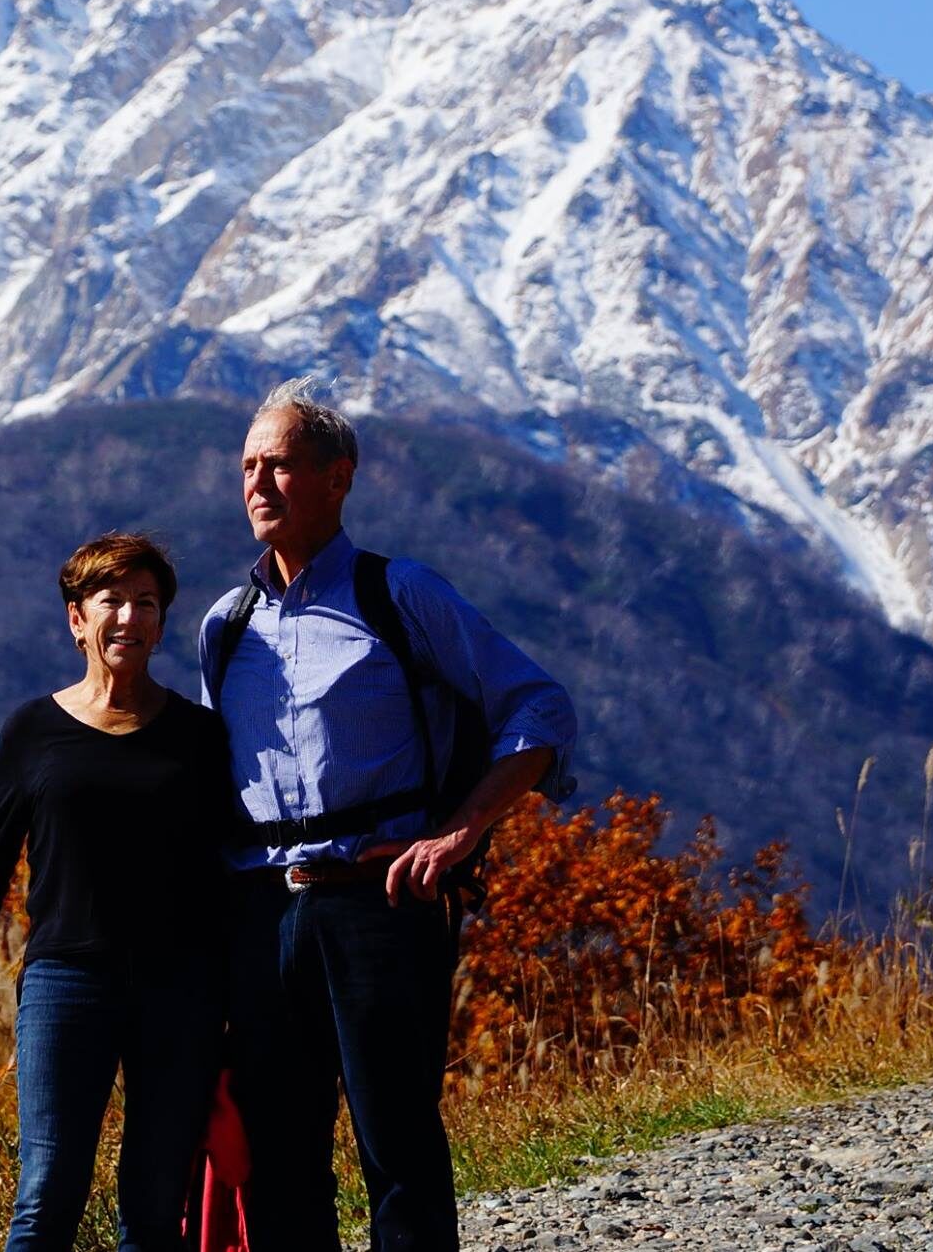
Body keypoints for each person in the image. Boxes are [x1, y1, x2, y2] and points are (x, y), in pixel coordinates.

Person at [199, 379, 577, 1251]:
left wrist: (463, 829)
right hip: (263, 911)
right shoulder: (226, 624)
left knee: (395, 1143)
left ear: (339, 477)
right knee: (279, 1149)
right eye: (249, 465)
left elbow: (540, 708)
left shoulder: (397, 594)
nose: (259, 483)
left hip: (380, 902)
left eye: (282, 464)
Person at [0, 532, 230, 1252]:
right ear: (76, 619)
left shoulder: (200, 736)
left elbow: (231, 875)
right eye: (112, 601)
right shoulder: (34, 731)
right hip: (68, 983)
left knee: (157, 1208)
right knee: (47, 1196)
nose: (129, 618)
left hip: (180, 991)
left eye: (147, 603)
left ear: (162, 622)